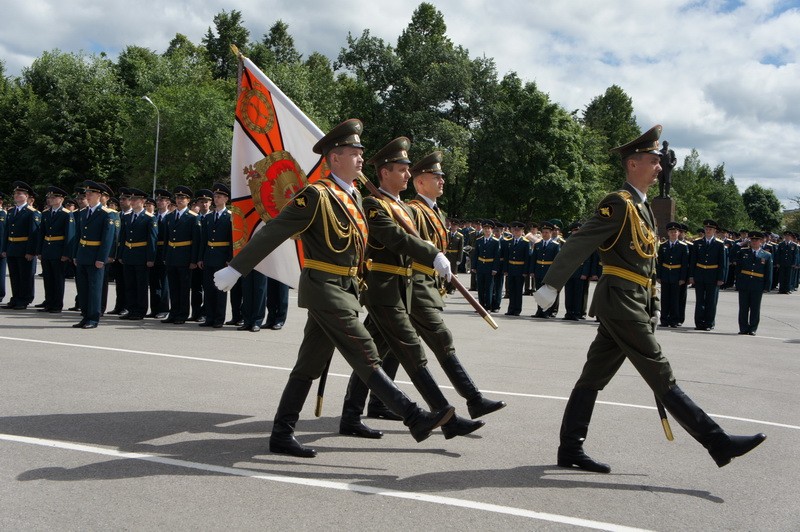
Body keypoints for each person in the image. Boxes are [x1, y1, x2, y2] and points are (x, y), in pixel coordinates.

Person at [213, 119, 454, 458]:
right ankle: (413, 416)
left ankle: (282, 433)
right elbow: (276, 230)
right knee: (366, 352)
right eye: (354, 154)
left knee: (308, 366)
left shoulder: (354, 197)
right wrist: (237, 267)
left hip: (347, 288)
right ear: (335, 157)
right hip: (324, 288)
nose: (360, 159)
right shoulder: (316, 195)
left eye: (360, 153)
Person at [534, 125, 765, 472]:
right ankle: (717, 442)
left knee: (592, 378)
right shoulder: (619, 203)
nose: (660, 168)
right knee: (660, 372)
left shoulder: (643, 209)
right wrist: (551, 285)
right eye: (654, 161)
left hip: (631, 303)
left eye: (659, 161)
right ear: (633, 164)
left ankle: (569, 449)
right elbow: (580, 242)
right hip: (620, 302)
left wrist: (652, 306)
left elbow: (648, 265)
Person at [339, 138, 480, 441]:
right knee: (411, 350)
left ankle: (351, 415)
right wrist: (432, 254)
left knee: (371, 356)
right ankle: (445, 416)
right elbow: (396, 240)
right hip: (383, 288)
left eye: (407, 169)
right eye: (401, 170)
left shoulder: (402, 207)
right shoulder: (372, 204)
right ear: (385, 173)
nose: (407, 174)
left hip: (401, 289)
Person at [71, 180, 116, 329]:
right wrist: (76, 255)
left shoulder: (106, 214)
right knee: (83, 288)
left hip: (95, 255)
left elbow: (107, 239)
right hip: (83, 254)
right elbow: (78, 236)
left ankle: (93, 318)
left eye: (91, 193)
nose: (88, 195)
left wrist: (101, 258)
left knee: (95, 288)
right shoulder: (83, 213)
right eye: (87, 193)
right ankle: (85, 316)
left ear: (99, 195)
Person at [162, 186, 201, 325]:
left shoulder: (192, 217)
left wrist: (193, 260)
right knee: (173, 287)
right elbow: (167, 239)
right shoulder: (169, 216)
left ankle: (183, 314)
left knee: (184, 288)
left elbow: (196, 241)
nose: (179, 200)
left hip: (185, 256)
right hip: (172, 256)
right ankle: (173, 312)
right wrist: (166, 256)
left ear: (188, 200)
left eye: (182, 198)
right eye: (178, 198)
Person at [118, 188, 158, 321]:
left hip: (141, 255)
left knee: (141, 285)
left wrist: (150, 258)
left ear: (143, 202)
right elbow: (122, 237)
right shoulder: (127, 217)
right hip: (129, 254)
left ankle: (140, 310)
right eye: (132, 199)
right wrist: (121, 254)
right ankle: (131, 309)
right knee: (129, 284)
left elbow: (152, 239)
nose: (133, 202)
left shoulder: (149, 218)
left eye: (135, 200)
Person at [198, 183, 233, 329]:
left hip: (221, 257)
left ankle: (219, 319)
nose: (216, 199)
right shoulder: (208, 217)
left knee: (220, 289)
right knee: (209, 288)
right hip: (209, 256)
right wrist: (200, 257)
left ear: (226, 199)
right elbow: (203, 240)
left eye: (219, 196)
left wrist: (229, 259)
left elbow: (232, 240)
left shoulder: (229, 217)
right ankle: (209, 317)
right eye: (215, 196)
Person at [36, 186, 75, 313]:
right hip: (47, 249)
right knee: (48, 278)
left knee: (58, 279)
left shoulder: (66, 214)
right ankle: (49, 302)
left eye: (54, 197)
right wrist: (40, 251)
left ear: (61, 199)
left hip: (58, 250)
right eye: (50, 197)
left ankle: (57, 304)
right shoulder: (46, 213)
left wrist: (66, 253)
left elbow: (69, 235)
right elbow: (41, 233)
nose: (51, 199)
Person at [3, 181, 41, 310]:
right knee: (14, 275)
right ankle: (16, 298)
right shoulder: (12, 211)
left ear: (26, 196)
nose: (16, 195)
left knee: (25, 275)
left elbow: (33, 234)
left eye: (20, 193)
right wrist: (5, 248)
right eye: (15, 193)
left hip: (24, 247)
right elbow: (6, 232)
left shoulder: (32, 212)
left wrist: (31, 251)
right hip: (13, 246)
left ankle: (24, 299)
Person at [690, 219, 727, 331]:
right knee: (700, 300)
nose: (708, 231)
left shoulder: (720, 244)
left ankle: (709, 323)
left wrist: (721, 278)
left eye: (710, 229)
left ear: (714, 231)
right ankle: (699, 323)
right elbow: (693, 261)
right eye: (706, 229)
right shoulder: (697, 243)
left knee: (711, 301)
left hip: (713, 275)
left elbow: (722, 263)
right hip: (700, 274)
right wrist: (691, 276)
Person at [735, 231, 772, 335]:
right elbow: (738, 269)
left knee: (755, 308)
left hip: (758, 284)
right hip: (745, 283)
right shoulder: (743, 252)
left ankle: (752, 328)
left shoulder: (766, 255)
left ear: (761, 241)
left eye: (757, 240)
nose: (754, 242)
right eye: (752, 240)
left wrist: (767, 286)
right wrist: (738, 283)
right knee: (743, 307)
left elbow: (768, 272)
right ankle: (743, 328)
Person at [657, 221, 690, 328]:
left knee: (675, 299)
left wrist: (682, 278)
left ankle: (674, 320)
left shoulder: (683, 246)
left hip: (677, 275)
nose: (673, 233)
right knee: (665, 299)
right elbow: (660, 262)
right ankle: (664, 320)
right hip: (666, 274)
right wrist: (659, 276)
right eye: (671, 232)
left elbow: (685, 264)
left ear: (679, 233)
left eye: (675, 232)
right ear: (668, 233)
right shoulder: (663, 246)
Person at [531, 221, 560, 318]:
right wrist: (532, 271)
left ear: (551, 233)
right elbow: (534, 259)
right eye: (543, 232)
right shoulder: (538, 244)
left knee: (547, 293)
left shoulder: (555, 245)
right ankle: (539, 311)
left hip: (548, 271)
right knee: (539, 292)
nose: (544, 234)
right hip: (539, 270)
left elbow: (556, 262)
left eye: (547, 232)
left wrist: (554, 273)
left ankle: (547, 312)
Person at [503, 221, 532, 316]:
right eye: (515, 230)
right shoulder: (509, 242)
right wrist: (506, 269)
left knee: (518, 291)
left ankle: (517, 309)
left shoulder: (525, 243)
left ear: (522, 231)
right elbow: (506, 257)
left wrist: (525, 271)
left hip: (520, 269)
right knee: (511, 290)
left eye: (518, 230)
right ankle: (511, 309)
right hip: (511, 268)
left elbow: (527, 258)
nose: (516, 232)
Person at [470, 220, 500, 311]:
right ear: (483, 230)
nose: (487, 230)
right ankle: (480, 306)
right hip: (480, 266)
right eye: (485, 229)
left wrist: (495, 268)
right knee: (480, 287)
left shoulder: (495, 241)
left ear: (492, 230)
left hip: (490, 266)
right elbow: (476, 255)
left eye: (489, 229)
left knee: (489, 287)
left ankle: (488, 306)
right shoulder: (479, 240)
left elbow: (497, 256)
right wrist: (474, 266)